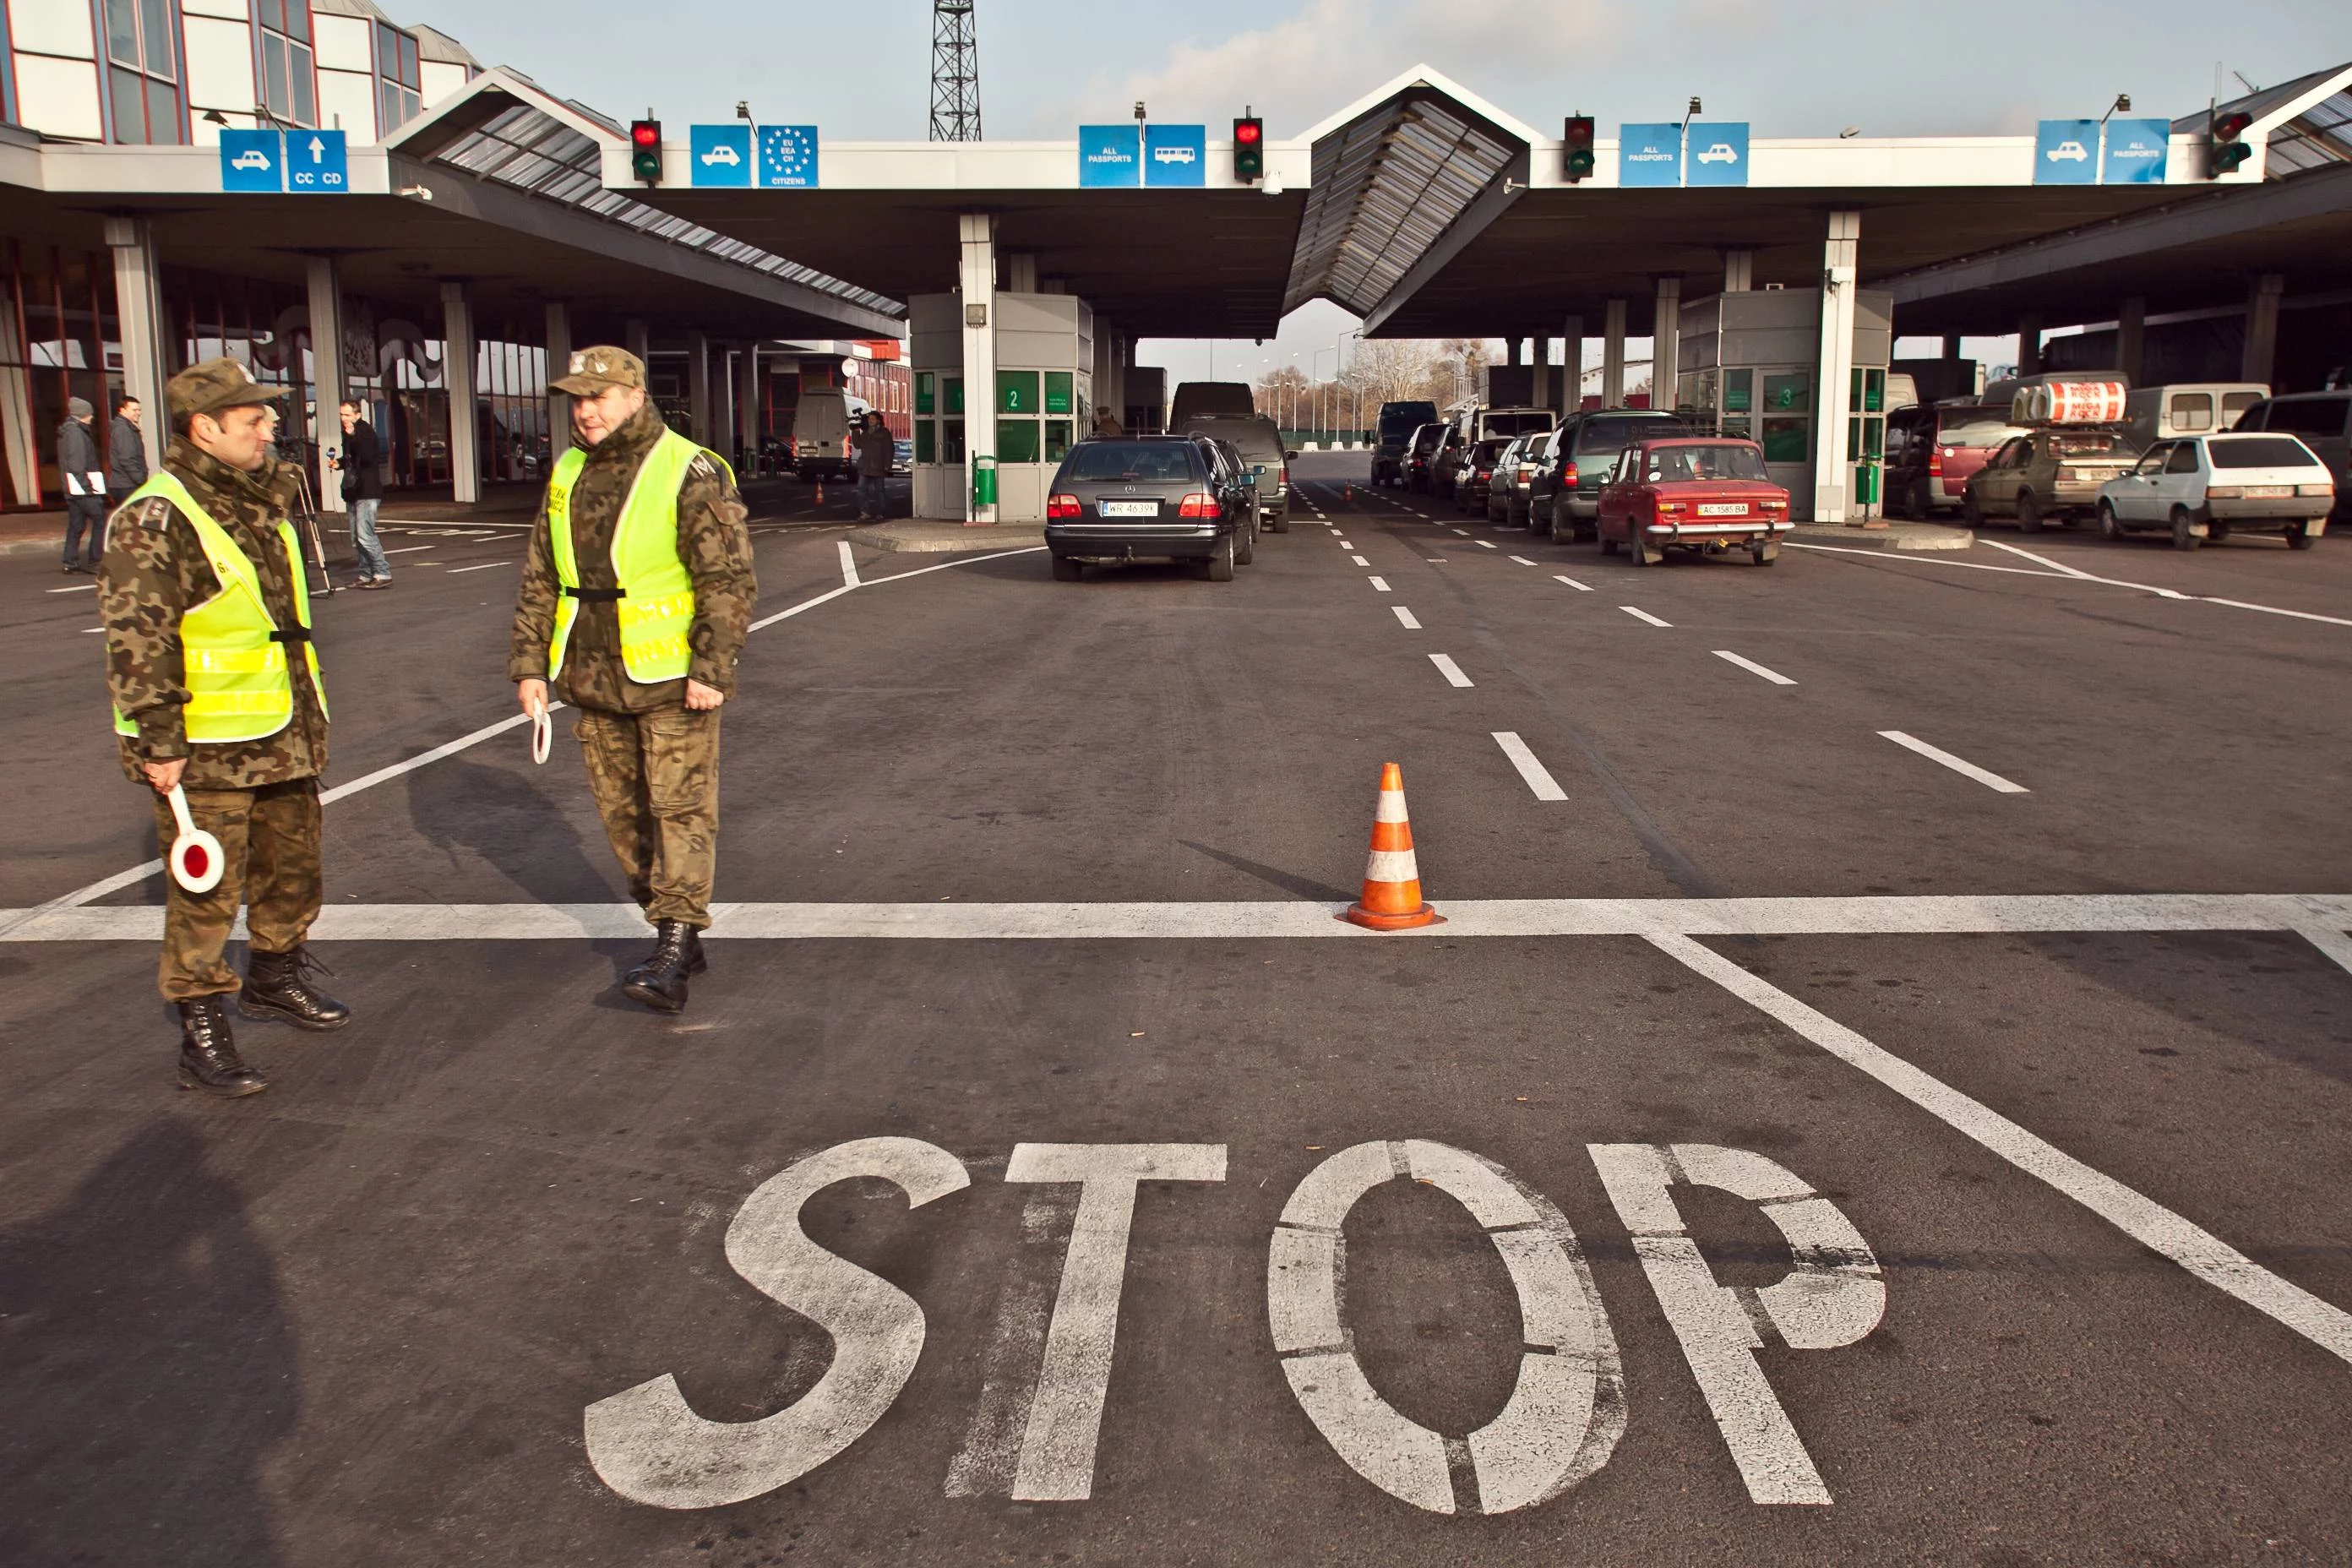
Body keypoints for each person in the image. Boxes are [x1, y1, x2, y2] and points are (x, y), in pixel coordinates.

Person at [99, 358, 350, 1100]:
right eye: (254, 420)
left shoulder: (256, 498)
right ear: (205, 430)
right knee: (205, 896)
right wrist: (159, 742)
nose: (271, 427)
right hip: (205, 747)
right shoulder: (158, 516)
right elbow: (138, 639)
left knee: (294, 871)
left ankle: (273, 979)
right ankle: (202, 1031)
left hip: (282, 726)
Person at [509, 346, 755, 1012]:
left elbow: (726, 580)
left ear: (635, 396)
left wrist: (712, 667)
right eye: (577, 400)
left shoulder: (689, 467)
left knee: (680, 810)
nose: (585, 411)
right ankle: (672, 926)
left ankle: (673, 948)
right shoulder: (567, 471)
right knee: (624, 818)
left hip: (673, 678)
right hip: (592, 677)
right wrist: (530, 664)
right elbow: (541, 574)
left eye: (599, 396)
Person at [331, 398, 390, 589]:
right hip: (354, 491)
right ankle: (366, 574)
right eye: (341, 414)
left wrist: (354, 436)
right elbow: (352, 459)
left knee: (365, 534)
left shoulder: (365, 432)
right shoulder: (349, 434)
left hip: (367, 491)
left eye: (347, 414)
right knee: (356, 538)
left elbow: (366, 457)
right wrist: (338, 463)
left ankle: (382, 572)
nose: (344, 418)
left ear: (357, 415)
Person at [58, 396, 106, 574]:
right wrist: (88, 489)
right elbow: (77, 465)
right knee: (100, 520)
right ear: (83, 414)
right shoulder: (76, 434)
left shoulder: (72, 431)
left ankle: (69, 561)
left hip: (73, 489)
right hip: (82, 489)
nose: (92, 417)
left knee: (77, 524)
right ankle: (95, 561)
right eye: (90, 413)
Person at [107, 395, 148, 514]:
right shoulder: (123, 429)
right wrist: (140, 479)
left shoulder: (127, 428)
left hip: (126, 484)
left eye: (139, 409)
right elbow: (127, 458)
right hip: (127, 485)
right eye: (134, 410)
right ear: (122, 410)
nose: (138, 413)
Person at [852, 411, 894, 522]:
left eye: (873, 419)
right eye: (869, 419)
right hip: (865, 467)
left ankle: (880, 513)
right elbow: (857, 445)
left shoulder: (884, 433)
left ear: (878, 421)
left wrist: (887, 465)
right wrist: (855, 431)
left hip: (879, 467)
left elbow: (889, 450)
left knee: (879, 491)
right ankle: (865, 512)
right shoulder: (865, 433)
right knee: (861, 489)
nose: (870, 421)